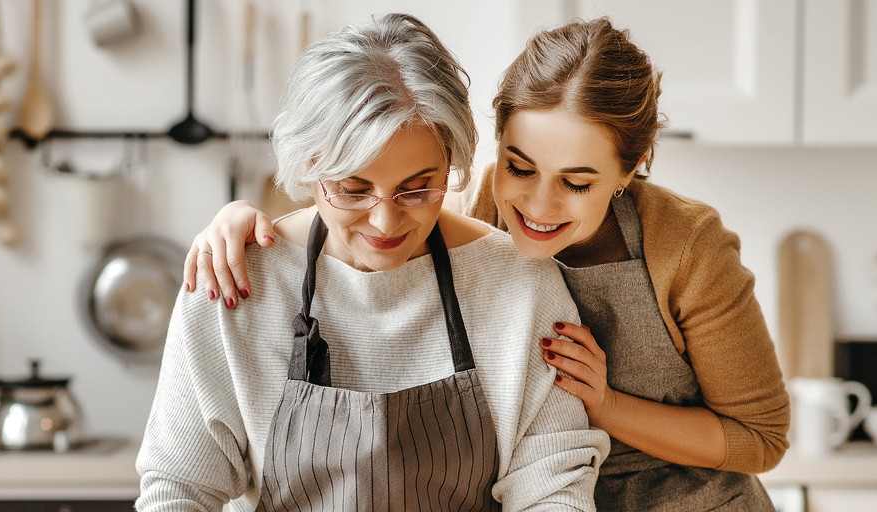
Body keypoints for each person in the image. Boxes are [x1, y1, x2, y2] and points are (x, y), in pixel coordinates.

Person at [182, 16, 791, 511]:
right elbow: (372, 200)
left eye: (577, 183)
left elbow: (760, 439)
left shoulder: (685, 246)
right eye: (519, 168)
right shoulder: (472, 214)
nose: (538, 206)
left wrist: (604, 405)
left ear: (630, 173)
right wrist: (239, 220)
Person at [136, 13, 611, 512]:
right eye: (352, 189)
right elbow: (178, 489)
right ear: (310, 165)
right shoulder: (234, 279)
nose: (385, 223)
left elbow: (554, 491)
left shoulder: (521, 285)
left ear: (452, 163)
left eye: (417, 188)